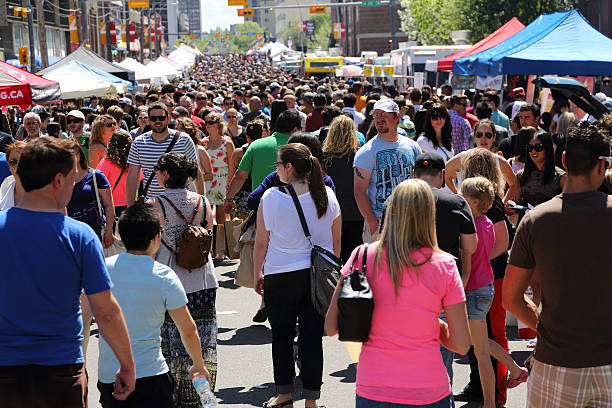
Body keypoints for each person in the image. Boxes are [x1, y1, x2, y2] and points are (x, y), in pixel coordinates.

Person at [0, 137, 135, 407]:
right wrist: (128, 366)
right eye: (73, 179)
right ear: (59, 181)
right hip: (60, 368)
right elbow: (106, 312)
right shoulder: (80, 236)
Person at [325, 178, 471, 408]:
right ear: (428, 215)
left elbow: (331, 326)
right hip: (428, 390)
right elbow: (462, 344)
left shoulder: (361, 257)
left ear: (390, 212)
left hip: (373, 389)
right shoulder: (445, 265)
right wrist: (437, 326)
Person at [503, 124, 612, 408]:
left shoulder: (535, 220)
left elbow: (511, 298)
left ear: (563, 161)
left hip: (554, 362)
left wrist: (545, 328)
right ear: (603, 165)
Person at [253, 143, 341, 408]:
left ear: (289, 167)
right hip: (316, 277)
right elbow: (336, 241)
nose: (277, 169)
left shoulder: (270, 198)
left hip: (280, 275)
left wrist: (258, 271)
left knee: (281, 336)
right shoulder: (327, 195)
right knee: (312, 339)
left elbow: (261, 241)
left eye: (278, 164)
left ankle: (284, 396)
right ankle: (311, 400)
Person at [98, 202, 211, 408]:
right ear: (156, 237)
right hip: (150, 373)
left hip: (109, 375)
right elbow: (188, 329)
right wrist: (198, 365)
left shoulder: (101, 271)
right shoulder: (164, 275)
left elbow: (82, 324)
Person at [147, 152, 219, 404]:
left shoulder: (156, 204)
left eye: (158, 170)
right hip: (202, 279)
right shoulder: (202, 201)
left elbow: (151, 247)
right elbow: (209, 235)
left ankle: (175, 395)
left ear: (166, 174)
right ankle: (200, 394)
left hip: (170, 279)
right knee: (201, 339)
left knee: (171, 343)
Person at [458, 177, 528, 408]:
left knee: (480, 349)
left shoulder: (469, 227)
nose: (459, 199)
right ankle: (514, 370)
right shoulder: (488, 222)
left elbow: (467, 263)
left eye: (463, 197)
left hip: (473, 290)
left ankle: (493, 398)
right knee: (481, 344)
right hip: (486, 288)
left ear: (476, 202)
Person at [354, 99, 422, 243]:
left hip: (409, 220)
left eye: (383, 114)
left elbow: (420, 182)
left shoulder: (413, 147)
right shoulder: (367, 152)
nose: (379, 118)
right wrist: (372, 224)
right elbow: (359, 191)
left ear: (397, 117)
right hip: (380, 222)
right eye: (376, 115)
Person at [126, 102, 204, 206]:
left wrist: (202, 204)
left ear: (168, 118)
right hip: (153, 204)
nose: (157, 121)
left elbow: (196, 173)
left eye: (161, 118)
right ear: (149, 120)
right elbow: (132, 177)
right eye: (153, 118)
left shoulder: (184, 139)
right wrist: (130, 208)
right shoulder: (139, 142)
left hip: (182, 203)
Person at [224, 109, 301, 211]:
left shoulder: (256, 145)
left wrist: (229, 198)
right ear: (295, 129)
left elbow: (240, 176)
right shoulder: (300, 148)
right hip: (293, 207)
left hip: (261, 207)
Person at [445, 120, 519, 203]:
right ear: (474, 137)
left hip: (492, 210)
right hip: (468, 210)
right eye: (479, 135)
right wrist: (460, 197)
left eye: (488, 135)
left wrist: (504, 201)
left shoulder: (500, 161)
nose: (483, 139)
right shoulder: (462, 158)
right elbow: (446, 175)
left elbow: (514, 184)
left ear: (494, 137)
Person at [322, 115, 363, 262]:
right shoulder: (359, 156)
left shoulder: (323, 158)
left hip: (329, 214)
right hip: (355, 214)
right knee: (353, 261)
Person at [203, 112, 235, 257]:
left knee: (221, 217)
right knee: (207, 216)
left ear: (217, 124)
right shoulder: (203, 142)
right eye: (206, 123)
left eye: (210, 122)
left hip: (223, 181)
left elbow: (232, 165)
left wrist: (230, 184)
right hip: (207, 182)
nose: (207, 125)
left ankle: (220, 250)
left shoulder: (227, 142)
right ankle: (208, 247)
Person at [97, 132, 143, 218]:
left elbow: (98, 183)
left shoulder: (106, 162)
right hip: (131, 203)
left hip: (111, 205)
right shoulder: (133, 163)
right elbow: (137, 185)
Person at [227, 119, 265, 219]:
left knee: (240, 229)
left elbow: (231, 176)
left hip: (240, 196)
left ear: (247, 136)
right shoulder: (266, 151)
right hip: (260, 192)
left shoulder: (238, 153)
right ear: (262, 135)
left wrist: (228, 197)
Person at [176, 116, 214, 188]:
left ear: (189, 130)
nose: (178, 131)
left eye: (181, 128)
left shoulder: (200, 150)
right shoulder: (174, 150)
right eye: (176, 128)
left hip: (196, 191)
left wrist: (190, 178)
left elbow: (209, 175)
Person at [0, 141, 27, 210]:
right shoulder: (7, 183)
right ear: (8, 165)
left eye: (23, 160)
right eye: (13, 162)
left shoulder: (44, 190)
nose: (18, 165)